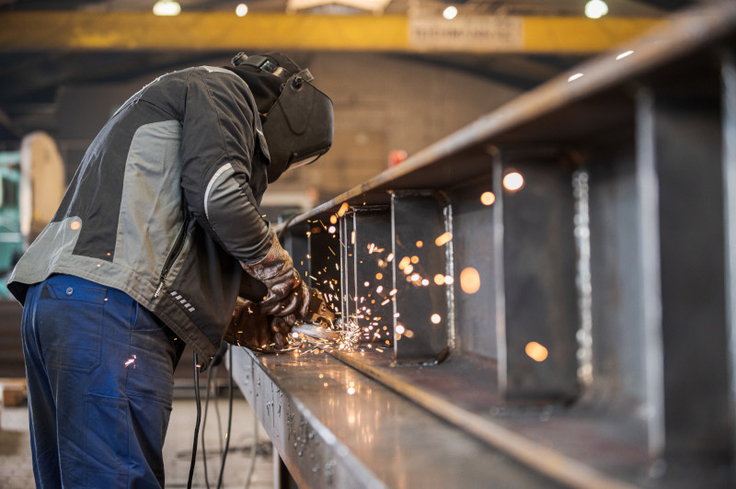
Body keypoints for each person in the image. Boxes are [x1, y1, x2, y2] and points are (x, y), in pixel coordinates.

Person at [7, 52, 333, 488]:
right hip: (107, 312)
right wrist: (285, 277)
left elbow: (166, 241)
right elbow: (218, 196)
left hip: (60, 304)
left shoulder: (173, 100)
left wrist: (232, 317)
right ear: (284, 108)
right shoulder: (225, 90)